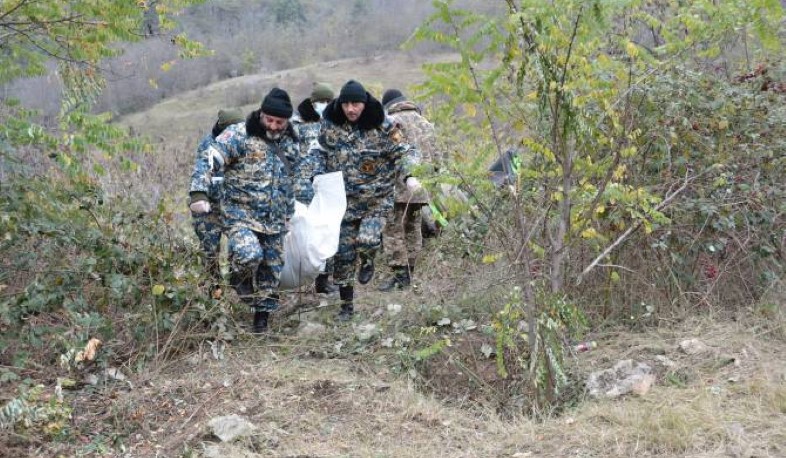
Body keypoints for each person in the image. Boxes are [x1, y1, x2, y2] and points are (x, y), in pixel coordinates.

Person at [190, 88, 298, 333]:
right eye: (269, 120)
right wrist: (198, 192)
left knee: (272, 270)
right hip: (240, 214)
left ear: (287, 121)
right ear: (261, 114)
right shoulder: (239, 134)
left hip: (274, 218)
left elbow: (289, 179)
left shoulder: (291, 142)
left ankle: (261, 321)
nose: (273, 126)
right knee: (249, 254)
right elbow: (211, 158)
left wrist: (289, 213)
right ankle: (238, 276)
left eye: (279, 122)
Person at [312, 80, 417, 320]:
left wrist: (410, 175)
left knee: (367, 240)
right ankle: (346, 307)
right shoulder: (331, 125)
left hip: (376, 200)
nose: (351, 109)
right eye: (346, 104)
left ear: (365, 103)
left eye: (356, 104)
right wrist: (316, 174)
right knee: (343, 256)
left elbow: (406, 151)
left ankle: (368, 258)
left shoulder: (384, 125)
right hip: (343, 202)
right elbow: (319, 151)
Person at [378, 89, 440, 291]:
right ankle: (411, 270)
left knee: (393, 229)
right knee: (413, 227)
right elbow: (438, 158)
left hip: (398, 185)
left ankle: (400, 275)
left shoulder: (392, 122)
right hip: (423, 186)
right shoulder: (426, 123)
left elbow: (388, 155)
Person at [188, 108, 244, 293]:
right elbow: (201, 171)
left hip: (234, 206)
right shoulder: (208, 144)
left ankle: (240, 286)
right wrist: (199, 195)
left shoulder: (247, 141)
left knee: (241, 246)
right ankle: (214, 293)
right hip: (209, 207)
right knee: (210, 252)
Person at [292, 82, 339, 294]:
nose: (325, 104)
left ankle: (323, 280)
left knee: (326, 232)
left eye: (328, 101)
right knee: (301, 235)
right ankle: (296, 277)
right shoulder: (295, 124)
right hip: (300, 189)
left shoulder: (332, 123)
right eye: (321, 101)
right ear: (313, 102)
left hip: (324, 187)